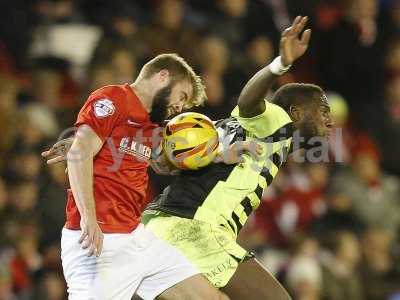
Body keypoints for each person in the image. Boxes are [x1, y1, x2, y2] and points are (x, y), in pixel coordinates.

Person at [142, 16, 332, 299]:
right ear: (294, 112)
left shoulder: (241, 131)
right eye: (323, 110)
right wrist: (279, 65)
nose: (330, 120)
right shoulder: (272, 120)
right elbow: (248, 101)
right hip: (193, 228)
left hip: (160, 222)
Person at [42, 53, 237, 300]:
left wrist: (219, 155)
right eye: (182, 96)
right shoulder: (114, 99)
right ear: (163, 76)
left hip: (136, 236)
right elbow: (79, 155)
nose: (180, 107)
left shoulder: (152, 124)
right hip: (99, 241)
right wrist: (89, 218)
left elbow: (164, 164)